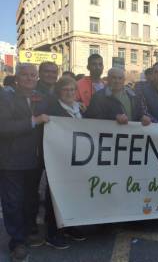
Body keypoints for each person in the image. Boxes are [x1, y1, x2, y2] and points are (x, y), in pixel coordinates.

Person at [0, 64, 49, 261]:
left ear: (37, 78)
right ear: (17, 78)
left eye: (33, 75)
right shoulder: (6, 97)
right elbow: (3, 126)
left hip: (34, 160)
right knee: (13, 203)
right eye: (25, 75)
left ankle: (28, 230)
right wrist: (34, 121)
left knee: (31, 199)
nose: (29, 78)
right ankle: (17, 242)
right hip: (11, 161)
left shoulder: (42, 98)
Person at [40, 77, 86, 249]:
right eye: (66, 90)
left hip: (75, 160)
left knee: (71, 195)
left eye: (72, 90)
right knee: (54, 197)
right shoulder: (52, 108)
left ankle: (68, 226)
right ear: (59, 92)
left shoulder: (79, 109)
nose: (69, 93)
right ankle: (52, 233)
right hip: (58, 160)